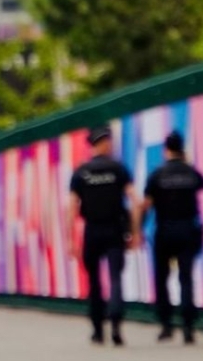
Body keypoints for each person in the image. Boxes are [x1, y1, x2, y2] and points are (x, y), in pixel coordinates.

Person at [66, 124, 140, 346]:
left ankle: (98, 330)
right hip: (115, 230)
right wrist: (135, 232)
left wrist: (71, 239)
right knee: (116, 278)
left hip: (92, 231)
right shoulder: (118, 169)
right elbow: (135, 202)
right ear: (106, 142)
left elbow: (71, 208)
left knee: (95, 282)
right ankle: (116, 324)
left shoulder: (81, 172)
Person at [136, 130, 203, 344]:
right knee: (186, 278)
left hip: (164, 230)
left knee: (162, 278)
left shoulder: (157, 174)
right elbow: (201, 184)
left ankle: (166, 325)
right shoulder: (191, 172)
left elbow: (146, 205)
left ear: (166, 149)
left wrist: (138, 228)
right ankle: (188, 327)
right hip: (188, 229)